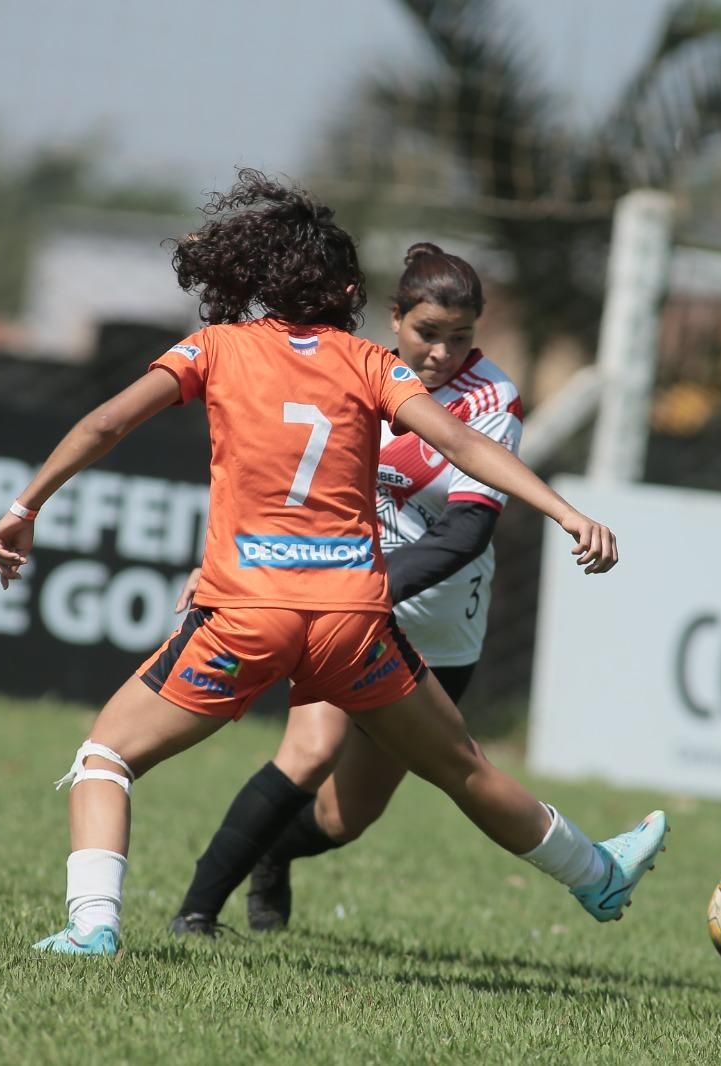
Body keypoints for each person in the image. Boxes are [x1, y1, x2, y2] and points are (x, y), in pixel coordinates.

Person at [0, 169, 665, 957]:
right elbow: (462, 445)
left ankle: (93, 926)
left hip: (248, 614)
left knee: (107, 755)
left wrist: (24, 506)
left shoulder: (216, 347)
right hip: (352, 621)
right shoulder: (370, 364)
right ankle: (595, 873)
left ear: (257, 279)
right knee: (463, 768)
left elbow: (106, 423)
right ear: (349, 290)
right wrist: (566, 511)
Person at [168, 241, 525, 936]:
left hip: (438, 625)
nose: (443, 354)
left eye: (461, 338)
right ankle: (195, 912)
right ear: (393, 318)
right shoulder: (355, 370)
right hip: (346, 605)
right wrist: (235, 560)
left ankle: (273, 854)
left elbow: (464, 536)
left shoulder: (493, 399)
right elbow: (276, 474)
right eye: (427, 333)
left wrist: (363, 591)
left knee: (345, 816)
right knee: (307, 751)